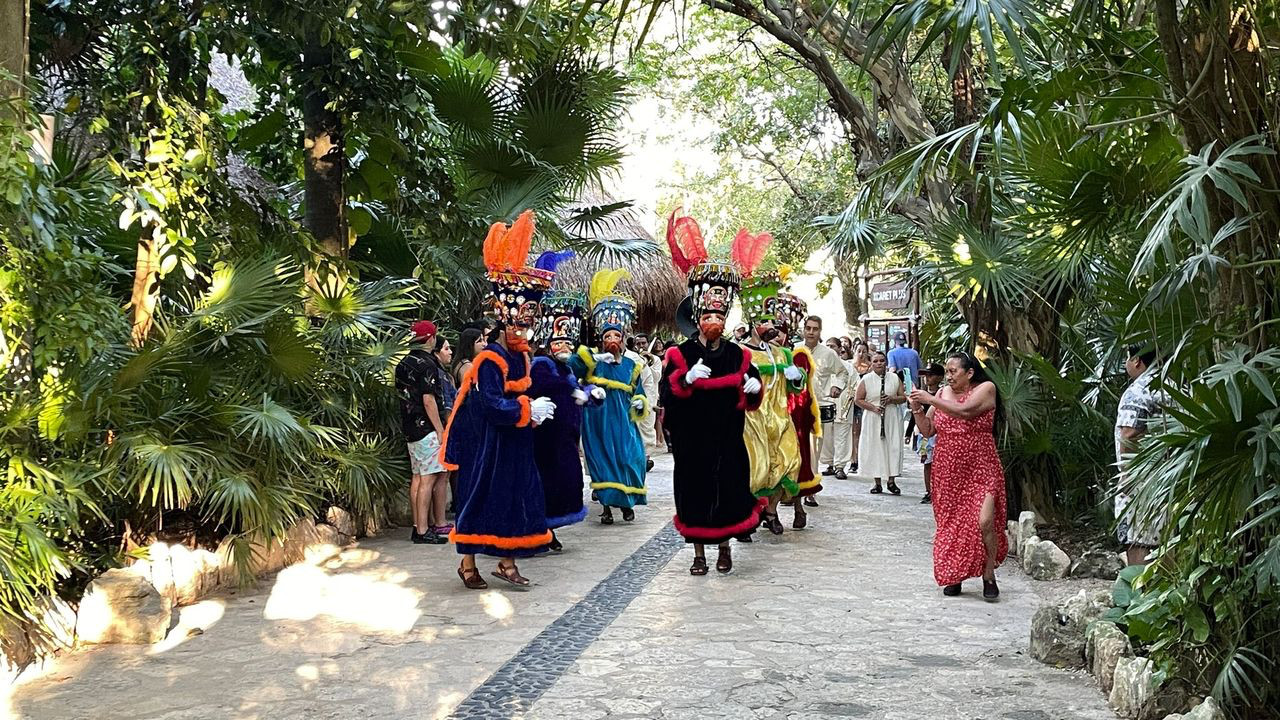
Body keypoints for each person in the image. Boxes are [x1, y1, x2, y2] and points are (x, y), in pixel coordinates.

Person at [440, 210, 557, 589]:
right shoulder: (490, 359)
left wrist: (535, 413)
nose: (525, 328)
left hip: (516, 443)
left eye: (529, 321)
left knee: (515, 499)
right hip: (490, 446)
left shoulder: (521, 355)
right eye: (520, 321)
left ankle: (506, 562)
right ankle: (468, 565)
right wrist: (527, 409)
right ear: (506, 320)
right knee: (482, 500)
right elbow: (491, 405)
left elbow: (517, 398)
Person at [663, 208, 765, 573]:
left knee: (728, 493)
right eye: (707, 316)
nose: (713, 322)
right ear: (698, 318)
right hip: (692, 442)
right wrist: (685, 381)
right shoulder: (680, 354)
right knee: (694, 494)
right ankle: (698, 555)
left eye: (719, 317)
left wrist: (754, 388)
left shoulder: (738, 354)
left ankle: (724, 549)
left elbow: (752, 396)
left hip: (727, 439)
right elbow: (668, 398)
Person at [909, 351, 1008, 601]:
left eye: (953, 371)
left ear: (970, 373)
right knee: (951, 523)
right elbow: (928, 430)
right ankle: (955, 574)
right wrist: (917, 408)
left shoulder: (986, 389)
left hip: (981, 466)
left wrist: (931, 399)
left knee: (985, 521)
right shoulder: (942, 394)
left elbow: (965, 411)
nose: (949, 376)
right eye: (947, 371)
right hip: (948, 471)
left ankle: (988, 573)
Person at [736, 250, 808, 535]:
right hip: (752, 420)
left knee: (790, 462)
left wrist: (797, 377)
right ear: (754, 324)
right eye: (766, 322)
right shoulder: (739, 352)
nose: (772, 328)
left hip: (780, 417)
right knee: (757, 470)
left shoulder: (782, 353)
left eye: (773, 322)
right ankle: (749, 516)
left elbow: (794, 386)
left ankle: (772, 511)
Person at [569, 269, 649, 525]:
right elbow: (572, 369)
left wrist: (639, 403)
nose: (612, 339)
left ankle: (626, 502)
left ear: (623, 339)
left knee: (630, 458)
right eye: (607, 336)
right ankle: (606, 506)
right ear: (602, 340)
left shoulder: (632, 365)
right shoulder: (593, 360)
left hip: (624, 419)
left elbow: (639, 392)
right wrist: (590, 359)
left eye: (616, 335)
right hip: (598, 419)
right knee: (602, 461)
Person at [396, 320, 449, 544]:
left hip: (410, 426)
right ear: (430, 339)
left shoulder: (403, 363)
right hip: (425, 427)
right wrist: (439, 429)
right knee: (428, 478)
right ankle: (423, 529)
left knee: (417, 477)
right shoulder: (428, 364)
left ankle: (418, 525)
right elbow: (429, 399)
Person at [1114, 344, 1166, 566]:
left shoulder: (1139, 390)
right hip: (1172, 477)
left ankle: (1139, 586)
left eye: (1127, 358)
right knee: (1166, 540)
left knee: (1138, 539)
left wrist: (1128, 474)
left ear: (1136, 361)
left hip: (1142, 480)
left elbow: (1129, 433)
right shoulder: (1174, 385)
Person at [805, 316, 848, 498]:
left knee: (814, 449)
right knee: (796, 449)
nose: (811, 332)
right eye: (808, 328)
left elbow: (842, 372)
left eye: (815, 329)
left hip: (818, 407)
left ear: (820, 331)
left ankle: (810, 491)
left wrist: (837, 386)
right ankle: (793, 491)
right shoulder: (794, 350)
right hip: (795, 407)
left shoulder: (828, 354)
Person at [856, 350, 908, 495]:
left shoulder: (894, 378)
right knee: (875, 448)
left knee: (892, 446)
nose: (879, 363)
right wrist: (873, 408)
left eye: (882, 360)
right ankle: (877, 482)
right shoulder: (866, 379)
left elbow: (903, 397)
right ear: (871, 364)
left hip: (891, 416)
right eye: (875, 361)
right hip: (873, 417)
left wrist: (892, 399)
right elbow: (858, 399)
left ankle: (891, 481)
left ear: (886, 362)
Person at [915, 362, 944, 504]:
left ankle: (938, 490)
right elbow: (916, 416)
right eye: (925, 375)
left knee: (938, 462)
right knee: (926, 461)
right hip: (924, 433)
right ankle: (928, 491)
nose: (927, 378)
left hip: (938, 431)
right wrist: (910, 433)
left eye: (930, 375)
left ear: (939, 377)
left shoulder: (944, 394)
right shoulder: (921, 394)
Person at [888, 332, 923, 441]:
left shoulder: (891, 353)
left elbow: (892, 369)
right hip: (913, 387)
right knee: (915, 412)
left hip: (899, 388)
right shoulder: (914, 353)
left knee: (899, 413)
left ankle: (898, 437)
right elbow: (920, 369)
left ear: (895, 342)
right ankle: (911, 436)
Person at [847, 342, 872, 474]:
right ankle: (854, 460)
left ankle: (865, 459)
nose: (861, 354)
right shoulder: (850, 366)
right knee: (853, 433)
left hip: (865, 402)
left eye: (864, 351)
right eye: (859, 351)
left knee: (864, 431)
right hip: (851, 402)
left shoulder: (871, 367)